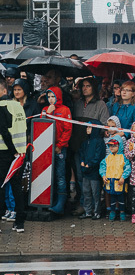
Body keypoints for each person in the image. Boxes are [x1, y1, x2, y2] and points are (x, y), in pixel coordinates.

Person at [69, 77, 109, 216]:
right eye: (83, 86)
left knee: (93, 179)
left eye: (88, 86)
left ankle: (95, 206)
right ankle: (84, 204)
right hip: (78, 146)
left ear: (94, 88)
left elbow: (104, 126)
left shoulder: (101, 104)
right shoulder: (77, 104)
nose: (85, 88)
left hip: (92, 148)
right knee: (80, 177)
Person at [0, 80, 27, 233]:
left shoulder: (2, 106)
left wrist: (12, 150)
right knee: (17, 187)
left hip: (5, 152)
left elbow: (4, 131)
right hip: (20, 153)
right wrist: (18, 151)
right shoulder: (18, 106)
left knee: (2, 186)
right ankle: (20, 222)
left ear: (4, 91)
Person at [42, 87, 72, 215]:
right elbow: (41, 127)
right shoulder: (45, 110)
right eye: (48, 97)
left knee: (60, 175)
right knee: (48, 175)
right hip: (46, 149)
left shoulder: (65, 110)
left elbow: (68, 130)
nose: (51, 99)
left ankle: (60, 203)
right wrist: (47, 114)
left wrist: (60, 145)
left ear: (58, 97)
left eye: (53, 96)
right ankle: (48, 200)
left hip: (60, 149)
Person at [99, 138, 131, 221]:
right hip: (110, 182)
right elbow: (102, 167)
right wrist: (103, 175)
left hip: (120, 182)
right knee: (112, 198)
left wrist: (123, 177)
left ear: (119, 146)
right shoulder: (107, 157)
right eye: (110, 146)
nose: (112, 147)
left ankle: (122, 212)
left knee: (121, 198)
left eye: (114, 146)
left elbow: (127, 168)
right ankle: (112, 212)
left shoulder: (123, 157)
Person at [78, 120, 105, 220]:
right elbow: (81, 152)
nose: (87, 129)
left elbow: (99, 156)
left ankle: (97, 211)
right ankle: (88, 211)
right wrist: (82, 161)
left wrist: (90, 164)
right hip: (86, 171)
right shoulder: (86, 141)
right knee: (86, 192)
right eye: (87, 127)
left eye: (90, 127)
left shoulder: (99, 142)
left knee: (95, 193)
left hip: (94, 172)